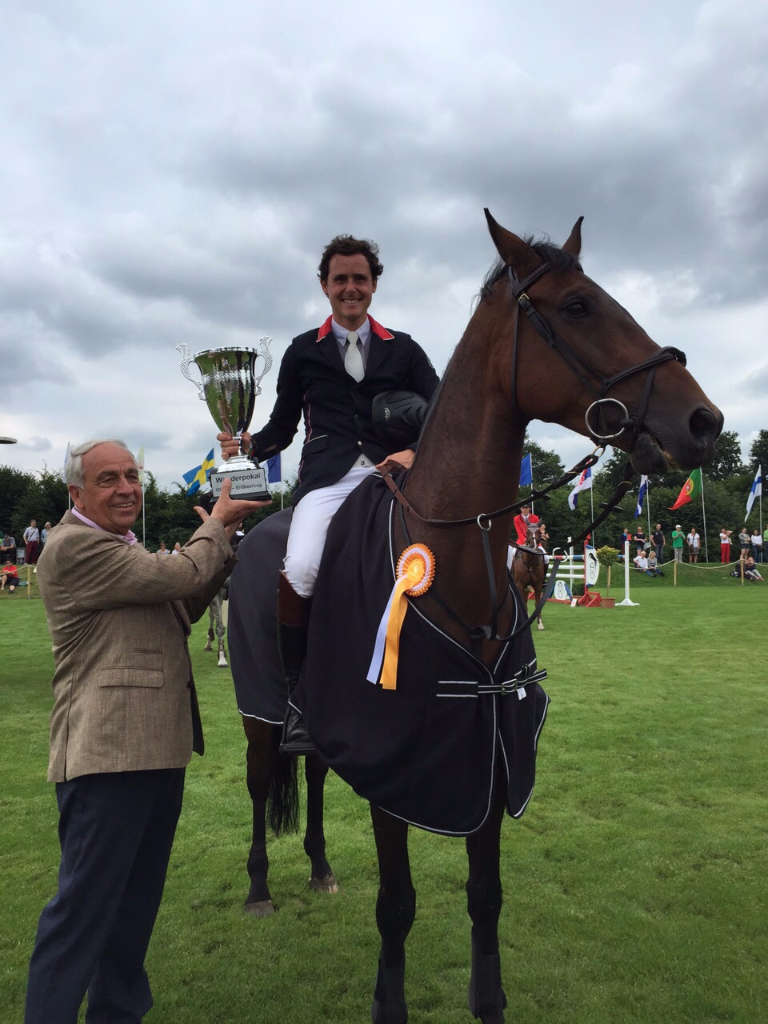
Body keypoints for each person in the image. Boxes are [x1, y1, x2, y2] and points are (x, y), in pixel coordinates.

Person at [24, 439, 269, 1024]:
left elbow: (181, 606)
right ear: (75, 493)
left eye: (132, 474)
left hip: (154, 751)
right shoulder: (76, 545)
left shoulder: (117, 547)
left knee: (131, 913)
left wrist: (222, 538)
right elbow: (180, 571)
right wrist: (219, 523)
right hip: (106, 757)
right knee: (82, 914)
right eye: (107, 478)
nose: (127, 487)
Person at [219, 234, 439, 754]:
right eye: (340, 279)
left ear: (374, 285)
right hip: (330, 479)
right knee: (300, 567)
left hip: (399, 475)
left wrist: (412, 454)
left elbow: (443, 412)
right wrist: (249, 441)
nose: (350, 288)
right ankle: (298, 701)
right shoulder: (302, 350)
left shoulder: (404, 348)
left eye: (359, 279)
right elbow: (282, 426)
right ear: (324, 285)